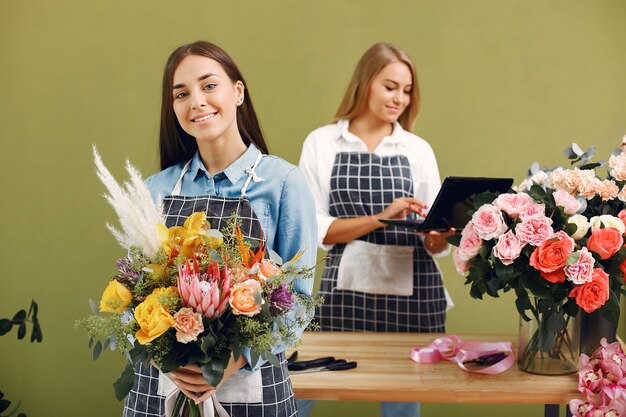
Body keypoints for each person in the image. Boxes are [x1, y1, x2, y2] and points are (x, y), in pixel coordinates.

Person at [122, 41, 317, 417]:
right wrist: (167, 355)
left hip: (253, 389)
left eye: (209, 85)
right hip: (160, 387)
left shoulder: (283, 184)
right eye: (182, 93)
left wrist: (234, 359)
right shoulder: (155, 190)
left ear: (238, 92)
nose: (197, 101)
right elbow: (133, 292)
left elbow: (299, 302)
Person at [297, 43, 453, 417]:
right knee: (303, 386)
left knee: (402, 404)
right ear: (365, 83)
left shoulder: (417, 149)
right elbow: (316, 230)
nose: (399, 98)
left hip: (412, 292)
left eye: (407, 90)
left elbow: (435, 241)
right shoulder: (322, 143)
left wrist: (436, 236)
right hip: (344, 290)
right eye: (390, 86)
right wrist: (383, 217)